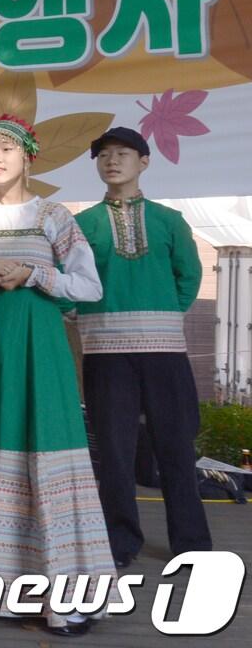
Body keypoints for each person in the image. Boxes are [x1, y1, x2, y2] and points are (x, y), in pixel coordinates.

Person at [0, 115, 113, 637]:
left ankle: (64, 592)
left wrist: (33, 274)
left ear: (29, 157)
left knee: (46, 443)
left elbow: (88, 284)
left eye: (7, 148)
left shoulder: (54, 215)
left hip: (39, 345)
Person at [75, 127, 211, 568]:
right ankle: (119, 542)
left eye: (122, 154)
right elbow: (69, 284)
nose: (112, 161)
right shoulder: (82, 225)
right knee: (113, 451)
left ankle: (191, 545)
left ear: (144, 162)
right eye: (103, 156)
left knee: (175, 445)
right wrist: (80, 312)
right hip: (104, 353)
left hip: (164, 350)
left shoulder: (170, 220)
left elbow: (188, 276)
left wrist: (164, 313)